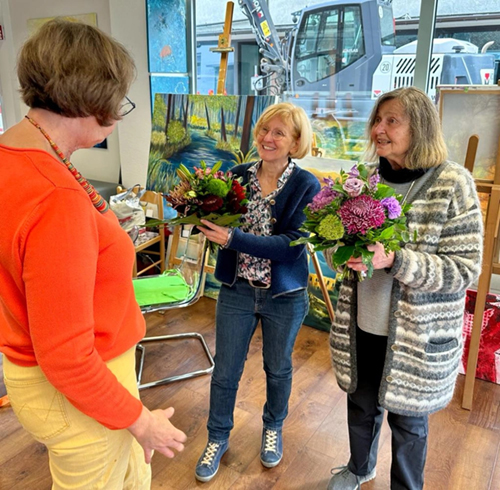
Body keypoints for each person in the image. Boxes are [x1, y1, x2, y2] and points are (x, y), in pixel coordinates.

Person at [0, 19, 186, 489]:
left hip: (46, 377)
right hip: (77, 386)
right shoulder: (54, 195)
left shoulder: (15, 153)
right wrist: (141, 421)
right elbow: (66, 356)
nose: (120, 115)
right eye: (118, 101)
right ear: (91, 99)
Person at [324, 86, 483, 490]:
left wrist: (396, 260)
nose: (379, 128)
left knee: (409, 421)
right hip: (361, 322)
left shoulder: (453, 184)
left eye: (391, 120)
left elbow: (464, 269)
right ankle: (359, 469)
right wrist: (341, 255)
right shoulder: (361, 181)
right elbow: (337, 251)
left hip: (416, 337)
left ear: (421, 127)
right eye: (377, 120)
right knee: (360, 403)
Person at [194, 102, 321, 482]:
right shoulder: (235, 176)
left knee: (278, 368)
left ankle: (272, 428)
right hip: (237, 291)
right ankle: (217, 437)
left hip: (284, 295)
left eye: (279, 133)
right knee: (225, 371)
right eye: (265, 131)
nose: (268, 138)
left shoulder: (306, 185)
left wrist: (234, 237)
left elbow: (290, 246)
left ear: (296, 141)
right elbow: (219, 223)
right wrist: (201, 218)